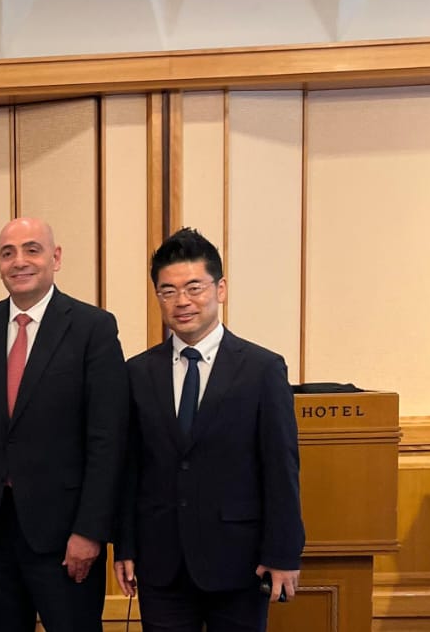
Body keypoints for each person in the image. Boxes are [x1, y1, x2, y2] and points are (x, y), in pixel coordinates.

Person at [0, 217, 129, 632]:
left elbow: (108, 440)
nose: (19, 261)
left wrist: (90, 530)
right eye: (8, 253)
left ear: (55, 258)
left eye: (32, 249)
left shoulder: (93, 328)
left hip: (66, 535)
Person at [113, 227, 304, 632]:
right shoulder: (137, 373)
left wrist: (284, 553)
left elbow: (281, 467)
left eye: (194, 288)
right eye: (168, 291)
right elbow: (129, 468)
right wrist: (124, 545)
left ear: (221, 289)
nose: (182, 301)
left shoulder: (262, 369)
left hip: (240, 561)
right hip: (161, 562)